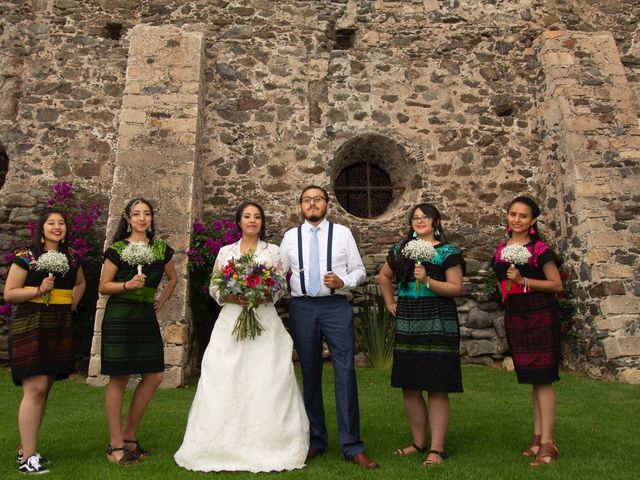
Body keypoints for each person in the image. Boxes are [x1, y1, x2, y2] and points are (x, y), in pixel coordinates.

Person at [175, 201, 309, 472]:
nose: (252, 221)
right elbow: (214, 285)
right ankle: (218, 443)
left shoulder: (272, 251)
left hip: (264, 318)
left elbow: (280, 286)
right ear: (238, 222)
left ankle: (274, 442)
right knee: (225, 375)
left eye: (257, 217)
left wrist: (261, 294)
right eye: (247, 216)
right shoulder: (226, 252)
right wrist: (232, 295)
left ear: (262, 222)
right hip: (233, 319)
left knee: (268, 376)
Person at [279, 185, 378, 469]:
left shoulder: (343, 234)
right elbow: (276, 273)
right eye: (307, 200)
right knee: (309, 373)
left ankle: (352, 445)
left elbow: (359, 270)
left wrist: (343, 282)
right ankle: (316, 440)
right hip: (302, 308)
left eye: (317, 199)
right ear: (301, 206)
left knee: (345, 372)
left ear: (326, 205)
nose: (312, 204)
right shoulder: (290, 237)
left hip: (336, 307)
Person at [378, 203, 465, 466]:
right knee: (410, 386)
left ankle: (437, 449)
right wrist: (390, 303)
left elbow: (455, 288)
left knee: (437, 387)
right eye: (415, 218)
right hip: (409, 322)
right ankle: (418, 442)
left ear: (436, 221)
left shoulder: (448, 252)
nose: (419, 221)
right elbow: (383, 276)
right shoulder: (400, 250)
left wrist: (427, 280)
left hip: (439, 322)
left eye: (425, 217)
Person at [4, 208, 86, 474]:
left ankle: (25, 449)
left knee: (45, 387)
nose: (57, 227)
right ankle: (28, 458)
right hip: (31, 322)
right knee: (36, 388)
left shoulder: (72, 257)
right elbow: (10, 293)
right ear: (41, 228)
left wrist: (70, 303)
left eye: (61, 223)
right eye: (51, 223)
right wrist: (39, 290)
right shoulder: (26, 257)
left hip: (58, 324)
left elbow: (81, 283)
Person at [98, 198, 177, 464]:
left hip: (145, 316)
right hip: (120, 314)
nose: (142, 218)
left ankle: (130, 435)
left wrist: (161, 299)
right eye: (136, 214)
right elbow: (103, 286)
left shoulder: (160, 249)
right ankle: (115, 444)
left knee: (154, 375)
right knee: (118, 378)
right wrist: (128, 285)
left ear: (152, 218)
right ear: (128, 218)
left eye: (147, 214)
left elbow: (173, 278)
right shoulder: (118, 249)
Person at [491, 196, 563, 467]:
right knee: (533, 379)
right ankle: (536, 437)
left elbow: (556, 285)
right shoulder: (501, 249)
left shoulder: (540, 248)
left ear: (532, 221)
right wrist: (507, 289)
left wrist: (524, 280)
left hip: (540, 314)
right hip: (516, 315)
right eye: (512, 214)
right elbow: (502, 281)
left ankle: (548, 443)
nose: (516, 220)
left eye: (522, 216)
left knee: (543, 378)